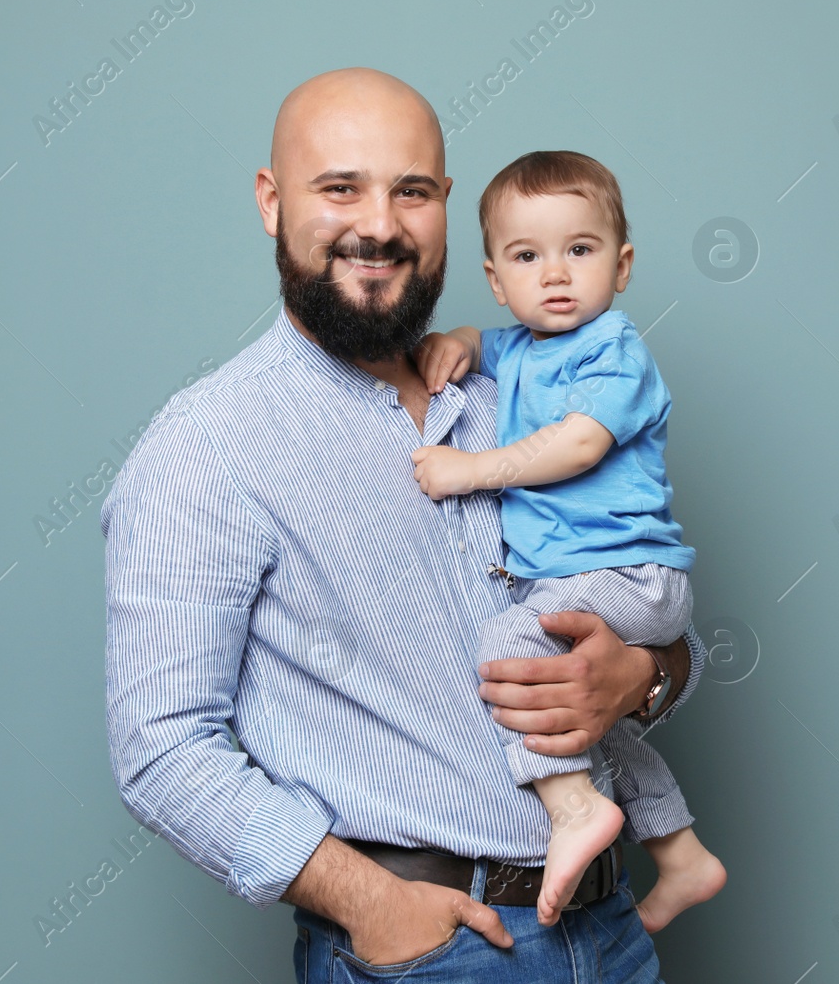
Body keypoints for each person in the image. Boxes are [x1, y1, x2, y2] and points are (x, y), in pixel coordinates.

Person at [101, 68, 705, 983]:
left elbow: (662, 618)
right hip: (431, 956)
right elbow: (161, 748)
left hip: (613, 933)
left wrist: (642, 679)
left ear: (446, 208)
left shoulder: (525, 393)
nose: (378, 224)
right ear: (272, 202)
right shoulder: (207, 449)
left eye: (410, 191)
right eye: (339, 187)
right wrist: (370, 902)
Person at [411, 151, 726, 931]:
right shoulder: (516, 347)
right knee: (590, 720)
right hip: (590, 582)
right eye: (527, 256)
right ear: (496, 279)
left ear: (620, 267)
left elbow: (581, 444)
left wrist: (472, 469)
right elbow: (483, 348)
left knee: (512, 641)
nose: (554, 274)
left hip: (631, 574)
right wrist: (455, 339)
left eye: (579, 250)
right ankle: (682, 853)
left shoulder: (612, 349)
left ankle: (574, 808)